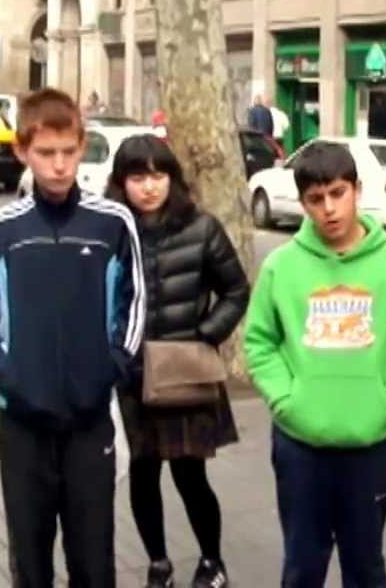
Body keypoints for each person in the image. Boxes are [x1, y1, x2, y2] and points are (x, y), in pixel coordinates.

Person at [0, 87, 146, 587]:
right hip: (21, 424)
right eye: (46, 153)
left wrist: (110, 367)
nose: (59, 165)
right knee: (30, 559)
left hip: (89, 422)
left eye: (68, 152)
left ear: (82, 146)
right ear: (22, 151)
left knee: (93, 561)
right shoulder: (1, 228)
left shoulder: (113, 222)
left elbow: (135, 303)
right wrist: (4, 375)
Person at [244, 141, 386, 588]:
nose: (328, 208)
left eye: (337, 193)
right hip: (299, 445)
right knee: (303, 566)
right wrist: (286, 400)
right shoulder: (281, 267)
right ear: (303, 203)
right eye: (315, 199)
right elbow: (259, 342)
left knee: (365, 565)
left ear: (356, 190)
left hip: (371, 444)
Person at [106, 135, 249, 588]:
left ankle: (212, 561)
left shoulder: (201, 227)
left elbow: (236, 290)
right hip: (133, 374)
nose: (148, 187)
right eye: (137, 177)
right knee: (143, 476)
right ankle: (158, 563)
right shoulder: (111, 230)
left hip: (185, 372)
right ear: (121, 182)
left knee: (191, 476)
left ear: (172, 178)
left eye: (157, 175)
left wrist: (206, 335)